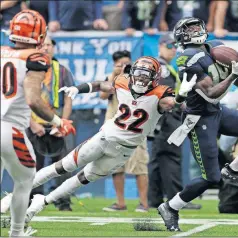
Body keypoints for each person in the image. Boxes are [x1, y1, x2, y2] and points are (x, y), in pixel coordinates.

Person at [3, 56, 196, 225]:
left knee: (82, 179)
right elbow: (99, 85)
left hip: (124, 151)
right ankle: (12, 196)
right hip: (104, 138)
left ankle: (40, 204)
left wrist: (181, 95)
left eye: (146, 76)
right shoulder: (122, 81)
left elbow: (173, 104)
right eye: (139, 73)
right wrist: (77, 89)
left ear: (155, 78)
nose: (141, 78)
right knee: (62, 167)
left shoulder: (160, 93)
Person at [157, 17, 238, 232]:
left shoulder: (216, 47)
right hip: (199, 118)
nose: (195, 30)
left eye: (196, 27)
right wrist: (233, 74)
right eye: (189, 29)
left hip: (217, 112)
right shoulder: (187, 58)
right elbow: (210, 94)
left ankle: (234, 170)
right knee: (210, 177)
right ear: (181, 34)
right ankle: (170, 207)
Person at [0, 10, 75, 236]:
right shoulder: (35, 58)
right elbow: (33, 99)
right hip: (10, 128)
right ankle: (16, 232)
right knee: (25, 181)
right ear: (40, 35)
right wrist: (57, 120)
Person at [148, 34, 201, 210]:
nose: (173, 49)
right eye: (169, 46)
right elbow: (166, 96)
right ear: (160, 46)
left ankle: (154, 199)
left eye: (174, 46)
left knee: (157, 160)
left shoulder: (160, 67)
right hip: (168, 119)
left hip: (159, 121)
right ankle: (176, 200)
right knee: (171, 158)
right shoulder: (163, 69)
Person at [25, 35, 75, 211]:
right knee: (32, 166)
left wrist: (62, 123)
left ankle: (63, 202)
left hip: (57, 125)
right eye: (42, 45)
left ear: (53, 48)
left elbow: (69, 98)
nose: (45, 48)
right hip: (34, 124)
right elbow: (22, 100)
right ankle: (32, 201)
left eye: (49, 45)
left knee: (64, 165)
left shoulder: (62, 71)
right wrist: (31, 123)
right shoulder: (28, 70)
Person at [100, 51, 149, 212]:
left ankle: (143, 203)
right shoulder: (110, 77)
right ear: (114, 65)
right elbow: (102, 95)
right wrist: (116, 76)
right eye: (120, 64)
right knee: (115, 167)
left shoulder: (140, 78)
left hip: (135, 127)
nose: (125, 67)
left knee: (140, 165)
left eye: (127, 64)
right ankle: (120, 203)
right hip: (114, 128)